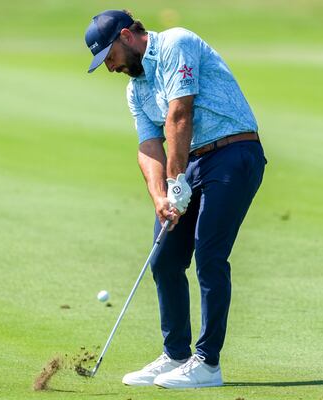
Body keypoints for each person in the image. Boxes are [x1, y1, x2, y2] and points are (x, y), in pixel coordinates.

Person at [84, 9, 266, 389]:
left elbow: (179, 115)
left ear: (126, 36)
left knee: (209, 253)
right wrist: (161, 195)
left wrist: (175, 180)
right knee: (165, 258)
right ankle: (176, 355)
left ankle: (207, 364)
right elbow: (149, 145)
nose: (110, 67)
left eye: (110, 57)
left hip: (233, 152)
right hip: (193, 163)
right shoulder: (136, 88)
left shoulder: (176, 43)